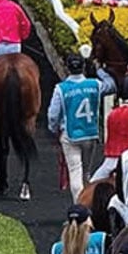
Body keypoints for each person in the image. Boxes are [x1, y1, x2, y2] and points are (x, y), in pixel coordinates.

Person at [47, 50, 113, 200]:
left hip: (70, 134)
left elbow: (52, 115)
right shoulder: (95, 84)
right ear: (83, 67)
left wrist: (53, 128)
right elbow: (111, 85)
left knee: (75, 170)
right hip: (90, 133)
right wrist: (100, 71)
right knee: (86, 172)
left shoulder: (61, 89)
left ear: (67, 67)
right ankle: (88, 203)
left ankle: (79, 207)